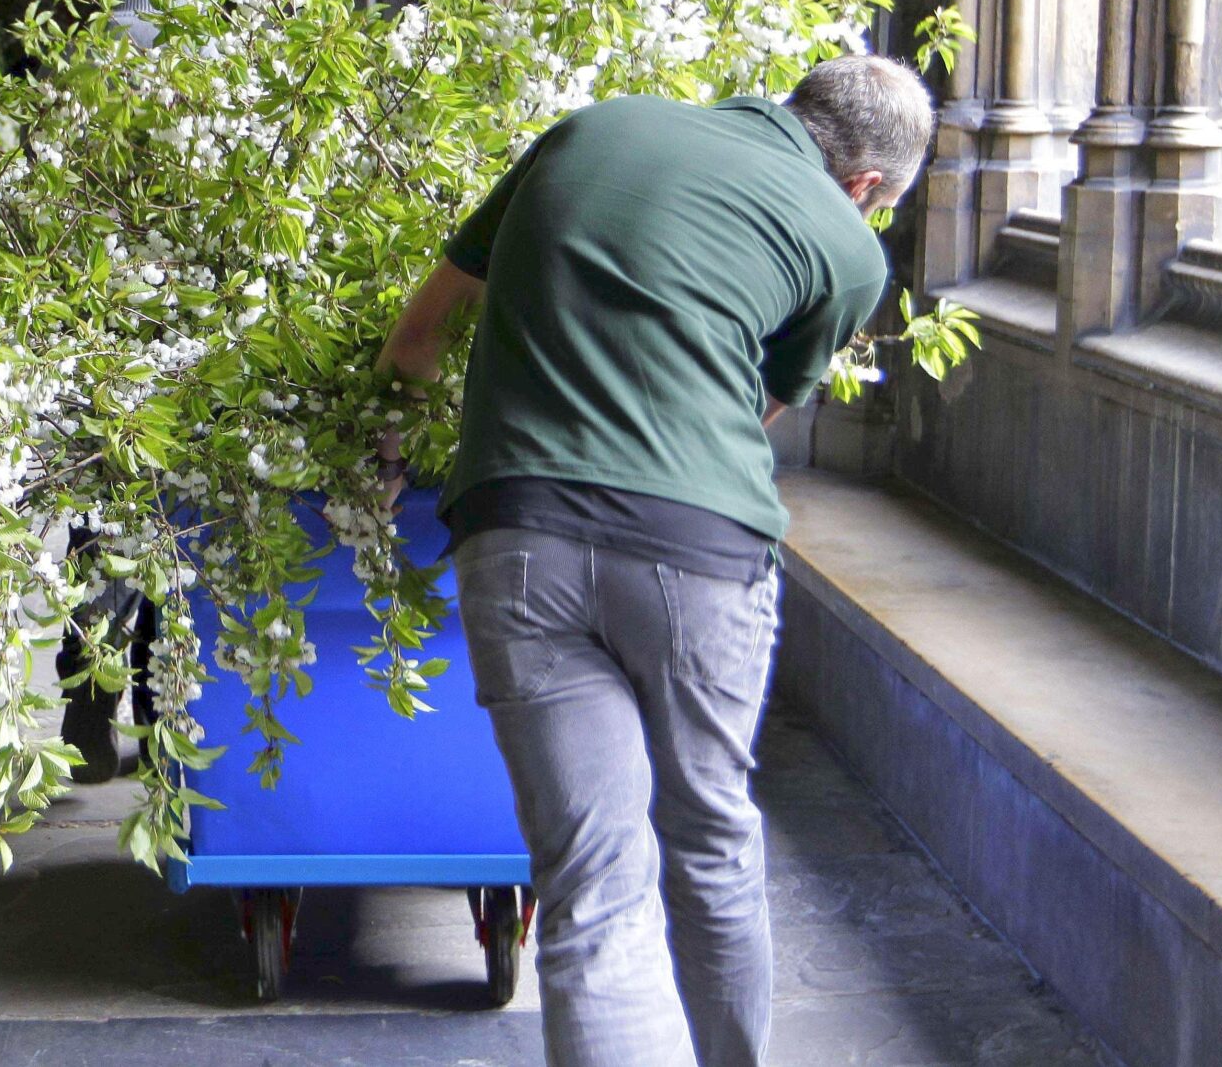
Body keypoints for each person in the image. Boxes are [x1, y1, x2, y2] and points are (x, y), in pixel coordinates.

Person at [375, 56, 936, 1067]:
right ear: (865, 188)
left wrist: (386, 442)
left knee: (590, 887)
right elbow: (751, 409)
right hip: (698, 549)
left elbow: (418, 334)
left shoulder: (597, 130)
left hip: (518, 530)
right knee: (712, 844)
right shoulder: (850, 255)